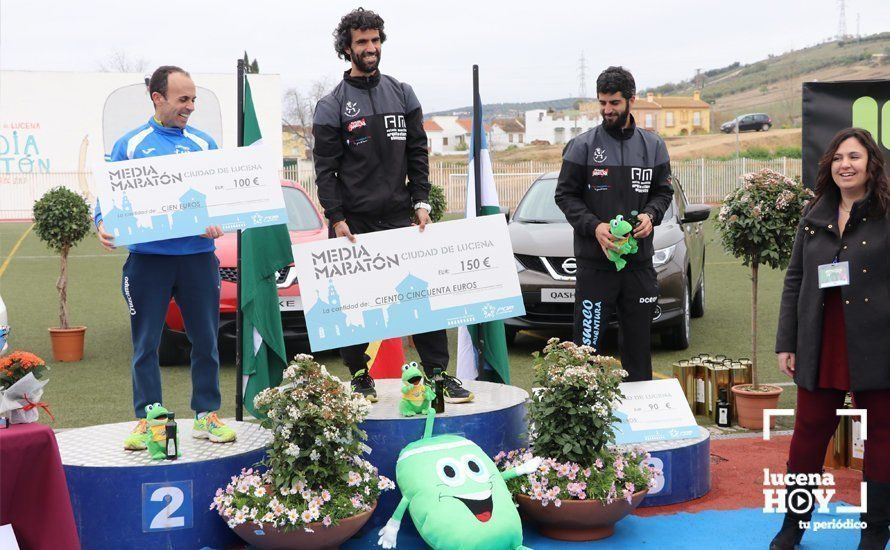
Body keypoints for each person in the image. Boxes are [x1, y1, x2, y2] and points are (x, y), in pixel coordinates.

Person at [312, 8, 473, 404]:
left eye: (375, 40)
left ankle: (437, 375)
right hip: (357, 223)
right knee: (357, 304)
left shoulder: (402, 92)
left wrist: (421, 200)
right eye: (362, 42)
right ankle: (360, 376)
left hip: (402, 215)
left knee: (422, 299)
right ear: (347, 49)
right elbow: (325, 170)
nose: (370, 48)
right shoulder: (332, 104)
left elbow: (418, 152)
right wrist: (336, 218)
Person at [95, 65, 236, 449]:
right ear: (157, 98)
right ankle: (149, 417)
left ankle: (206, 414)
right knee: (146, 345)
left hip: (197, 258)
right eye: (182, 99)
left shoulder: (205, 144)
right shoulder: (132, 144)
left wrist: (217, 219)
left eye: (193, 99)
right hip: (148, 260)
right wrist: (101, 222)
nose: (190, 106)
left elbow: (219, 197)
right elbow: (108, 195)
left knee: (205, 341)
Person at [773, 127, 890, 550]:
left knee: (883, 436)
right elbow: (795, 280)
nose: (846, 164)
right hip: (820, 342)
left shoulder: (886, 212)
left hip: (879, 345)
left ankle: (875, 530)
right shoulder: (814, 215)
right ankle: (792, 525)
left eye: (855, 157)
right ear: (830, 165)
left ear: (871, 163)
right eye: (839, 157)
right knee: (806, 436)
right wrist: (788, 341)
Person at [554, 66, 673, 382]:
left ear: (631, 100)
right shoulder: (582, 146)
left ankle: (642, 422)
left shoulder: (654, 146)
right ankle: (586, 422)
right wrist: (594, 226)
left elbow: (663, 192)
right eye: (602, 103)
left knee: (638, 349)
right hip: (596, 267)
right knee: (587, 350)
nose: (607, 110)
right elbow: (565, 196)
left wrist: (651, 215)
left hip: (639, 267)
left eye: (614, 103)